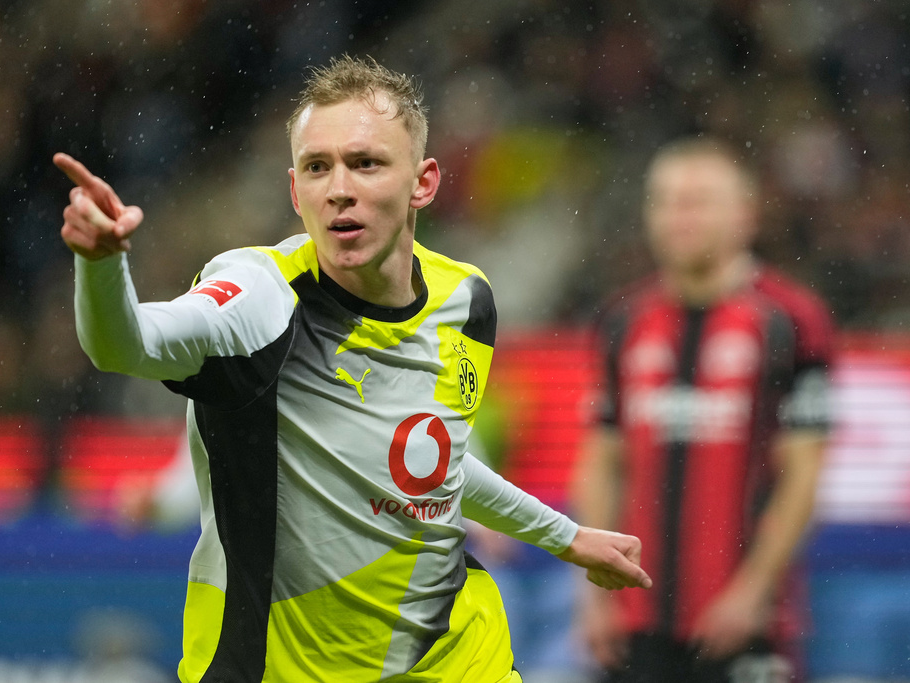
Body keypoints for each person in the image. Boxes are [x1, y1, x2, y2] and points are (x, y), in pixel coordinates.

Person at [54, 55, 651, 683]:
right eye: (318, 167)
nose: (339, 187)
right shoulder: (259, 297)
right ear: (295, 190)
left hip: (454, 655)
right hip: (277, 667)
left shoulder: (466, 301)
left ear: (422, 182)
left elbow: (428, 457)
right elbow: (126, 345)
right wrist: (99, 265)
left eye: (365, 163)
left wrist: (565, 536)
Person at [574, 136, 834, 683]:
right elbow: (601, 461)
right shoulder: (622, 321)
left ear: (745, 214)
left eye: (696, 201)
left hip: (748, 621)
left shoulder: (792, 322)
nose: (677, 217)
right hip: (636, 620)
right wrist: (594, 592)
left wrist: (752, 592)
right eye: (664, 200)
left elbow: (803, 473)